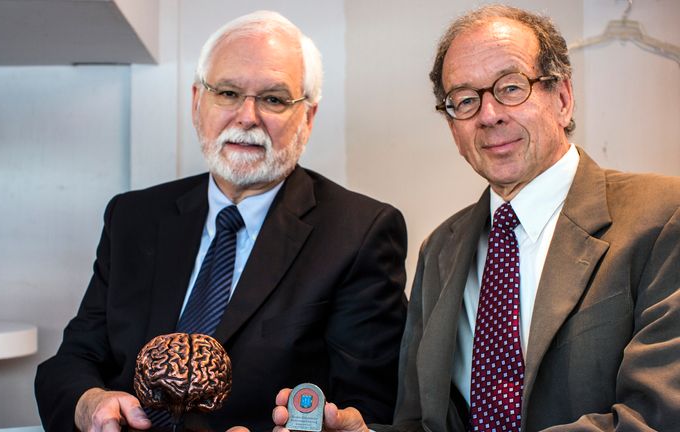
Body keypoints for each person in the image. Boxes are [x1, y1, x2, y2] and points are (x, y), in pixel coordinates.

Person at [273, 4, 680, 432]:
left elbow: (659, 416)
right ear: (453, 127)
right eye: (465, 100)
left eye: (510, 87)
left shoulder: (664, 215)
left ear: (562, 98)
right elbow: (421, 422)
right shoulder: (441, 248)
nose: (488, 115)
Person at [35, 10, 408, 432]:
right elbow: (73, 360)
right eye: (228, 93)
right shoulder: (133, 217)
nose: (247, 117)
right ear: (198, 102)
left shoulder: (359, 232)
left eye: (273, 98)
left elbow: (371, 408)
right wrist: (89, 403)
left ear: (307, 117)